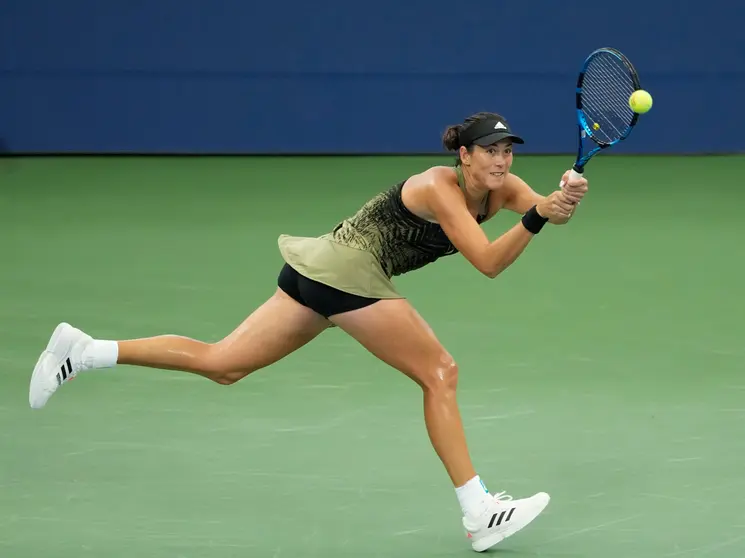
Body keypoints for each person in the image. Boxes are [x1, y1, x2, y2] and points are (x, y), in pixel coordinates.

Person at [29, 111, 588, 552]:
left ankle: (84, 351)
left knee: (224, 364)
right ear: (463, 156)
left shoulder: (501, 186)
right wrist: (540, 218)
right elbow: (490, 261)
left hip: (317, 268)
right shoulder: (440, 187)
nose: (502, 158)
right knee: (440, 372)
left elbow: (539, 208)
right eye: (490, 150)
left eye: (508, 150)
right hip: (347, 271)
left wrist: (559, 201)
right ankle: (479, 511)